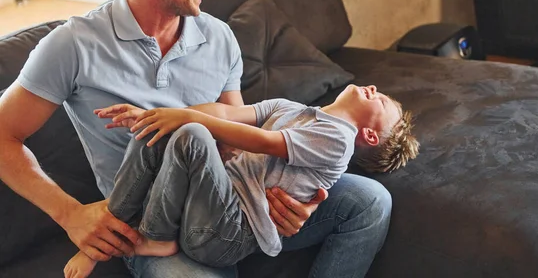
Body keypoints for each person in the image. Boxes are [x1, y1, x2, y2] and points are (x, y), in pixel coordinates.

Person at [0, 0, 395, 278]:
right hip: (152, 223)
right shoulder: (73, 45)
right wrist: (70, 214)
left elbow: (236, 142)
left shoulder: (219, 37)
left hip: (231, 199)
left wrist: (296, 199)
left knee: (370, 201)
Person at [64, 84, 420, 277]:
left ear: (370, 137)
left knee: (189, 132)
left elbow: (263, 141)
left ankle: (155, 238)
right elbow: (228, 114)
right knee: (155, 129)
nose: (373, 87)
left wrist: (182, 118)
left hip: (232, 231)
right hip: (210, 208)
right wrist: (155, 116)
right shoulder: (293, 109)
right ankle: (108, 233)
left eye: (382, 101)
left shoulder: (338, 139)